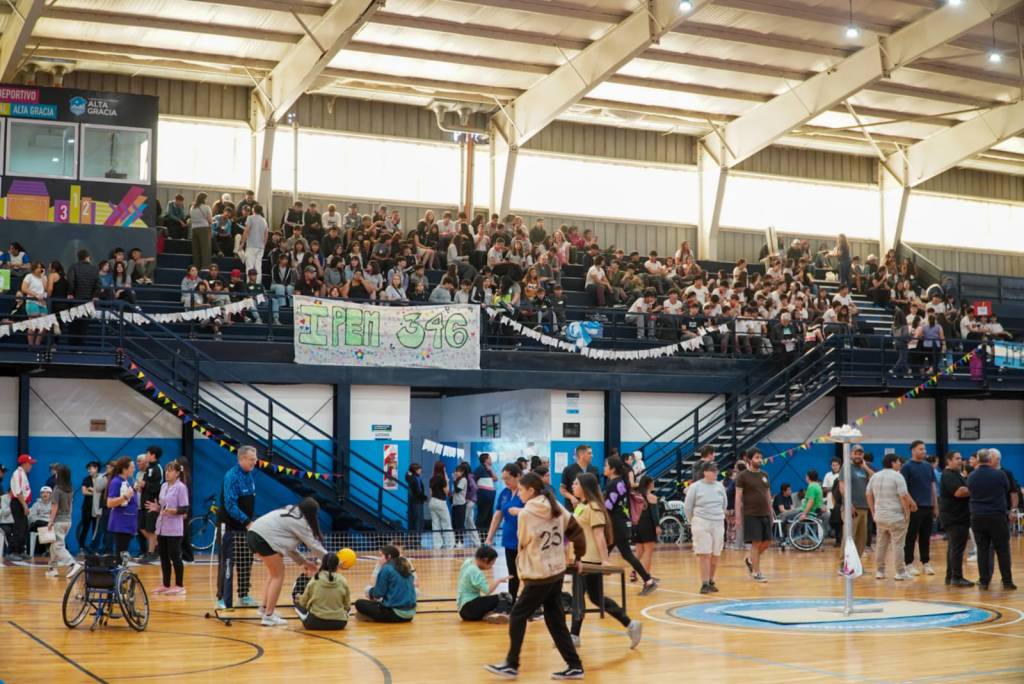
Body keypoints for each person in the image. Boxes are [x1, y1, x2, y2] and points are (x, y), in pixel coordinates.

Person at [485, 472, 586, 681]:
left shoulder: (526, 514)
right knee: (555, 620)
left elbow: (523, 541)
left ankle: (512, 664)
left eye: (521, 490)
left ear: (531, 491)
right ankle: (575, 665)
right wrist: (578, 557)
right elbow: (577, 532)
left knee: (517, 615)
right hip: (556, 571)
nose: (520, 494)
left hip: (539, 574)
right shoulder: (557, 506)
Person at [569, 472, 642, 647]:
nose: (573, 486)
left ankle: (574, 636)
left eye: (576, 483)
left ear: (585, 487)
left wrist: (604, 560)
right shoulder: (581, 507)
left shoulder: (594, 508)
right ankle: (630, 624)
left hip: (589, 560)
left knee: (579, 597)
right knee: (595, 598)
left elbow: (599, 535)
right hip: (580, 558)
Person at [248, 498, 326, 627]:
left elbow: (289, 548)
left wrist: (304, 562)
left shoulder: (290, 513)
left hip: (253, 534)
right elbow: (313, 545)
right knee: (278, 576)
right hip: (262, 538)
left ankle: (264, 609)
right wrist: (331, 558)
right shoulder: (299, 522)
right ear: (311, 513)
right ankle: (268, 616)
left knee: (273, 574)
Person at [604, 457, 658, 596]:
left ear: (612, 469)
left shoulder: (613, 484)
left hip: (615, 525)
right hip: (621, 523)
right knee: (610, 554)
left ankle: (587, 586)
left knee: (603, 554)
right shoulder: (622, 482)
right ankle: (648, 580)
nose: (604, 468)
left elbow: (608, 506)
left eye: (606, 465)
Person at [217, 446, 258, 610]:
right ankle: (222, 597)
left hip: (245, 528)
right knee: (227, 561)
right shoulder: (231, 476)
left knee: (246, 560)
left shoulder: (250, 476)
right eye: (251, 459)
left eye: (255, 459)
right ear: (242, 459)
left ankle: (243, 595)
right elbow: (230, 505)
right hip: (229, 526)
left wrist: (249, 523)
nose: (254, 462)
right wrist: (246, 521)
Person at [967, 449, 1015, 590]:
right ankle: (1007, 581)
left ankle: (984, 582)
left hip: (977, 516)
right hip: (996, 516)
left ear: (978, 459)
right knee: (1003, 549)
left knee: (982, 550)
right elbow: (1006, 489)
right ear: (989, 459)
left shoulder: (971, 476)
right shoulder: (1000, 474)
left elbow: (970, 491)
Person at [866, 454, 916, 581]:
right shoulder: (897, 476)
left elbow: (868, 494)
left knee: (881, 545)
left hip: (880, 517)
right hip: (896, 516)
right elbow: (903, 496)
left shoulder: (875, 476)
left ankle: (880, 571)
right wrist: (907, 513)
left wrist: (873, 511)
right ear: (893, 463)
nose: (900, 464)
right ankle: (900, 572)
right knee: (898, 545)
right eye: (898, 462)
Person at [684, 461, 728, 593]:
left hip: (718, 522)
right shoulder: (695, 487)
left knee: (716, 553)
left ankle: (711, 580)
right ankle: (704, 583)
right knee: (704, 553)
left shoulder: (720, 486)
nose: (716, 473)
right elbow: (688, 507)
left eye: (716, 470)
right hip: (701, 522)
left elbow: (724, 504)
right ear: (705, 472)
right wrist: (693, 521)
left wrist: (719, 515)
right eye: (712, 470)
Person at [148, 460, 189, 596]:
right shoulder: (164, 486)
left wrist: (173, 511)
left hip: (174, 528)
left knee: (175, 556)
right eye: (166, 470)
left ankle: (179, 585)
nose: (167, 473)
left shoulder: (181, 487)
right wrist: (157, 508)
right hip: (162, 526)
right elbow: (163, 506)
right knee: (163, 556)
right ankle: (165, 584)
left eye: (170, 471)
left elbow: (184, 509)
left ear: (177, 473)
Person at [485, 463, 524, 601]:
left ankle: (532, 603)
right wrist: (489, 537)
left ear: (517, 476)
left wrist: (520, 511)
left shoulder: (526, 492)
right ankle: (512, 602)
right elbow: (497, 516)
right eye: (503, 479)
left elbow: (534, 511)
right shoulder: (504, 493)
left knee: (527, 573)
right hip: (509, 540)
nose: (505, 481)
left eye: (508, 478)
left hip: (524, 541)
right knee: (512, 573)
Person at [735, 448, 773, 582]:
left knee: (767, 542)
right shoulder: (742, 476)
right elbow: (738, 497)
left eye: (760, 457)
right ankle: (756, 573)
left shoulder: (764, 475)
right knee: (756, 543)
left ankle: (751, 560)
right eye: (757, 457)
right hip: (750, 514)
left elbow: (768, 494)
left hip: (765, 513)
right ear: (749, 459)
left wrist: (771, 512)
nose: (760, 460)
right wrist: (738, 517)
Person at [354, 545, 417, 622]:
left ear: (389, 556)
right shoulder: (405, 565)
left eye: (381, 556)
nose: (379, 558)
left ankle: (372, 617)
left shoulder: (387, 568)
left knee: (359, 603)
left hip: (395, 614)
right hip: (410, 614)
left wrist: (369, 591)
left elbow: (378, 594)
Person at [902, 440, 937, 576]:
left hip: (927, 506)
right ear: (913, 450)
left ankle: (926, 562)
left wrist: (935, 505)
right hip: (914, 508)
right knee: (911, 536)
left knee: (925, 536)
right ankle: (908, 563)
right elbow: (903, 489)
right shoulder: (906, 467)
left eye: (924, 449)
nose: (924, 451)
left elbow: (932, 487)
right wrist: (909, 505)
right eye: (921, 449)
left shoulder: (928, 466)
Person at [939, 451, 974, 587]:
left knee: (954, 547)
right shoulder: (948, 474)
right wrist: (976, 488)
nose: (960, 461)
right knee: (957, 548)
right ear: (949, 461)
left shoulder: (957, 474)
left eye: (961, 458)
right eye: (957, 458)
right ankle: (956, 577)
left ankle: (950, 576)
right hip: (954, 517)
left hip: (959, 516)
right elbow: (959, 492)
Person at [296, 552, 351, 630]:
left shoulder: (315, 579)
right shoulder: (343, 580)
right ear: (337, 565)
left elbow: (303, 602)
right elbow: (347, 606)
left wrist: (298, 597)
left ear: (323, 563)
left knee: (297, 602)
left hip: (314, 623)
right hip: (339, 624)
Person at [457, 545, 512, 622]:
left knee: (488, 601)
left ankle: (488, 615)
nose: (491, 566)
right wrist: (498, 580)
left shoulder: (468, 562)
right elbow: (487, 591)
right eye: (491, 563)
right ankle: (499, 614)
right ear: (485, 560)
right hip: (470, 608)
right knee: (505, 596)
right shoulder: (476, 572)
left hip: (462, 611)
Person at [837, 445, 872, 562]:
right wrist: (849, 504)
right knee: (849, 536)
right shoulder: (846, 467)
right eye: (855, 453)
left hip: (864, 508)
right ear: (851, 454)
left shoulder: (864, 468)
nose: (858, 456)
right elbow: (842, 487)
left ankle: (856, 564)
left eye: (860, 454)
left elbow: (875, 479)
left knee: (862, 538)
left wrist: (865, 467)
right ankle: (844, 564)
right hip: (851, 508)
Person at [45, 465, 81, 579]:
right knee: (54, 544)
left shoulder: (57, 489)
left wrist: (51, 521)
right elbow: (71, 506)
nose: (55, 475)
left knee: (58, 546)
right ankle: (52, 568)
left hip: (58, 521)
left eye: (56, 473)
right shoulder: (70, 489)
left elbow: (54, 506)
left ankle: (72, 564)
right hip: (67, 521)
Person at [105, 456, 139, 558]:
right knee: (121, 552)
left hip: (127, 521)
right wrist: (125, 496)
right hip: (121, 523)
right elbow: (110, 503)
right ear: (124, 469)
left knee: (123, 552)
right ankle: (119, 568)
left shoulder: (126, 481)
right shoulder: (116, 482)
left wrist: (134, 490)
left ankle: (121, 567)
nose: (134, 469)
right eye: (132, 467)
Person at [137, 446, 163, 564]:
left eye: (147, 453)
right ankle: (157, 546)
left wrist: (145, 485)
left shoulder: (158, 468)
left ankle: (151, 553)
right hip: (144, 503)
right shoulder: (149, 469)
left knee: (151, 530)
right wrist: (141, 486)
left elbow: (158, 486)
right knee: (142, 527)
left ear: (153, 455)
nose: (146, 455)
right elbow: (145, 484)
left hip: (152, 503)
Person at [7, 454, 35, 560]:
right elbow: (18, 492)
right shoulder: (18, 473)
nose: (31, 466)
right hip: (18, 503)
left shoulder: (23, 474)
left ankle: (20, 550)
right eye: (30, 464)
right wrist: (24, 505)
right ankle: (12, 552)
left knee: (24, 527)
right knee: (18, 527)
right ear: (24, 464)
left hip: (21, 503)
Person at [632, 475, 661, 581]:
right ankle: (647, 577)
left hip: (636, 525)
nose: (654, 484)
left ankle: (633, 572)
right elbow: (654, 514)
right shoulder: (652, 497)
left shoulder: (636, 496)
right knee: (648, 552)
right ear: (649, 484)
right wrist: (657, 526)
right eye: (652, 482)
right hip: (647, 525)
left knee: (639, 552)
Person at [559, 444, 600, 509]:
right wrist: (572, 498)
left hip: (590, 507)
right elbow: (562, 489)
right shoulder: (568, 469)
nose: (592, 455)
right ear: (581, 455)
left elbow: (597, 489)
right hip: (573, 508)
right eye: (589, 453)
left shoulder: (594, 470)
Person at [428, 461, 455, 549]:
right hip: (440, 502)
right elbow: (446, 491)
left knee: (435, 524)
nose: (445, 469)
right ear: (442, 468)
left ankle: (437, 544)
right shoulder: (442, 478)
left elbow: (431, 493)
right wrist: (447, 482)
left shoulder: (432, 479)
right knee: (446, 523)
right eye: (444, 467)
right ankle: (449, 544)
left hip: (432, 502)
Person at [76, 461, 99, 554]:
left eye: (91, 468)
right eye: (88, 469)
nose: (89, 470)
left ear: (96, 468)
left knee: (95, 530)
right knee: (85, 528)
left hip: (97, 509)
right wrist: (96, 493)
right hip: (87, 508)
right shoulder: (86, 479)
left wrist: (92, 490)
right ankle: (81, 548)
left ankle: (94, 549)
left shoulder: (101, 478)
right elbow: (84, 492)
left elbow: (103, 493)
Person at [474, 454, 498, 532]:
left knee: (489, 516)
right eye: (490, 458)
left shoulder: (488, 469)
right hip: (483, 495)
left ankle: (486, 534)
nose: (491, 460)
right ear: (486, 460)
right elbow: (473, 479)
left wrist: (491, 470)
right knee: (482, 515)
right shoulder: (480, 468)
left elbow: (495, 479)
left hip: (490, 496)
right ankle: (479, 534)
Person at [405, 463, 427, 532]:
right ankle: (417, 536)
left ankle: (417, 535)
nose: (421, 470)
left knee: (417, 519)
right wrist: (424, 497)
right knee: (418, 519)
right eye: (419, 469)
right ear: (415, 470)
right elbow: (416, 491)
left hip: (417, 501)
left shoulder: (415, 477)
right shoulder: (413, 478)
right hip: (416, 501)